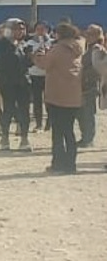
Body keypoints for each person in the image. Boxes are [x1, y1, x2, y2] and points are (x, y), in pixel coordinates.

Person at [32, 22, 84, 174]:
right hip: (74, 97)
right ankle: (71, 165)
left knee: (58, 132)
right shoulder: (78, 48)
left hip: (57, 96)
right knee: (69, 132)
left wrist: (38, 54)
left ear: (59, 34)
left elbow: (43, 64)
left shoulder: (58, 49)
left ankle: (58, 164)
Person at [0, 18, 33, 151]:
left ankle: (24, 138)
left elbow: (27, 64)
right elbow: (4, 60)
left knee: (24, 111)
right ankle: (5, 137)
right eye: (17, 28)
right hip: (8, 82)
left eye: (22, 28)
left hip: (23, 82)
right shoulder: (3, 44)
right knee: (8, 109)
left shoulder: (24, 44)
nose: (21, 31)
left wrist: (32, 57)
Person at [77, 24, 103, 147]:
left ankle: (88, 138)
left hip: (90, 85)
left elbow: (98, 67)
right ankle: (85, 137)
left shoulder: (97, 49)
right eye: (87, 33)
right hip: (84, 84)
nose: (88, 36)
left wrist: (85, 74)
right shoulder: (88, 48)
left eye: (91, 34)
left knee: (88, 113)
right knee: (82, 112)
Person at [26, 21, 53, 131]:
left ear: (47, 30)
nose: (40, 31)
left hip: (49, 74)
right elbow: (27, 58)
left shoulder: (52, 42)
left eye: (43, 29)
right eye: (38, 29)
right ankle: (38, 123)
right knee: (37, 100)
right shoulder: (30, 43)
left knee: (50, 100)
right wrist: (35, 52)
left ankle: (49, 123)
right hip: (35, 74)